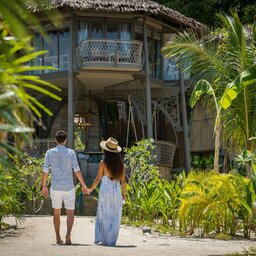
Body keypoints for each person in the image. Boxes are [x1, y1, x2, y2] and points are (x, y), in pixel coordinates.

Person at [42, 130, 88, 245]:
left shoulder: (49, 152)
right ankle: (68, 236)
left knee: (56, 212)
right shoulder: (71, 152)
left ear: (55, 141)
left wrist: (44, 186)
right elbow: (76, 169)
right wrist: (83, 184)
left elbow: (45, 170)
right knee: (70, 213)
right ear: (65, 140)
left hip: (56, 187)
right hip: (68, 187)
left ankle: (58, 237)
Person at [87, 137, 126, 246]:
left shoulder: (103, 163)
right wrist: (124, 197)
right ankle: (111, 239)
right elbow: (123, 182)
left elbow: (98, 179)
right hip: (116, 192)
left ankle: (104, 238)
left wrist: (90, 189)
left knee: (104, 214)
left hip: (105, 191)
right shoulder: (121, 165)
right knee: (115, 215)